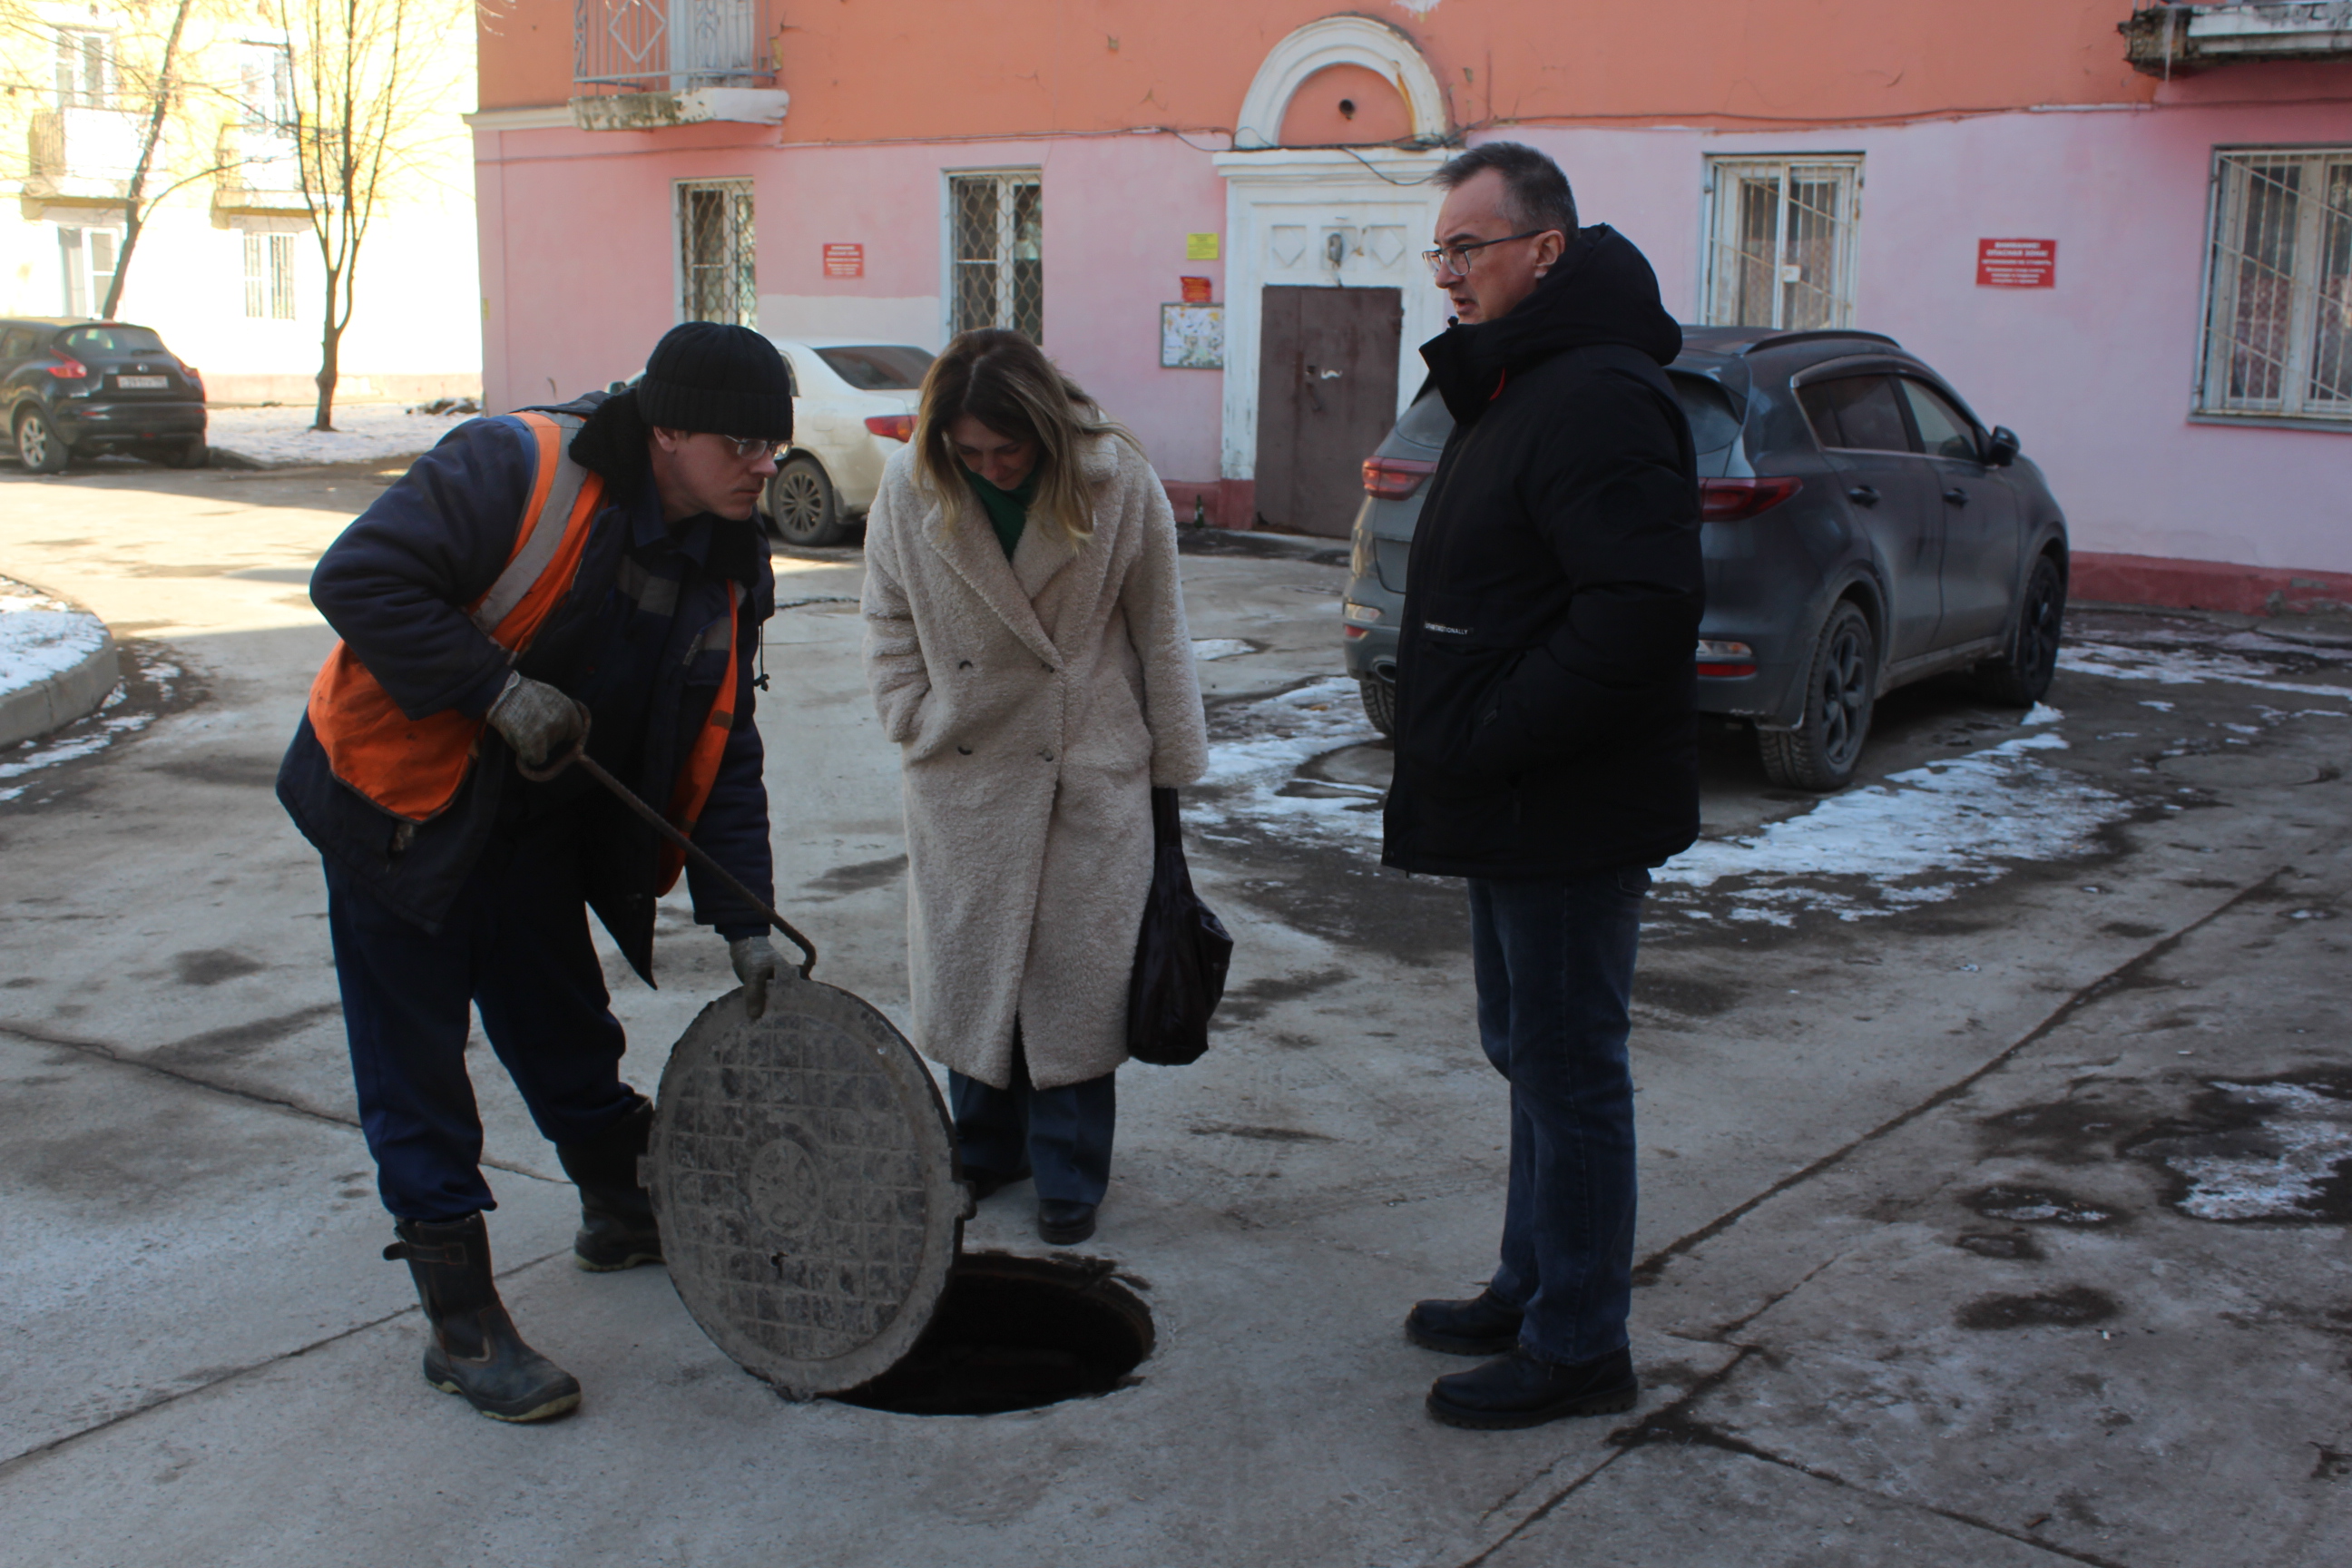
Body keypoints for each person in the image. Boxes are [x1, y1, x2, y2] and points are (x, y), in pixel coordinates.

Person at [277, 323, 794, 1423]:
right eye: (744, 443)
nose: (767, 467)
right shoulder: (511, 467)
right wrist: (494, 691)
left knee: (563, 1022)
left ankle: (621, 1209)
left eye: (775, 446)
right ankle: (461, 1324)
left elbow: (721, 736)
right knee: (416, 1065)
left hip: (532, 821)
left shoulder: (725, 547)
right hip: (399, 805)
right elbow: (357, 577)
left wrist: (745, 915)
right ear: (667, 430)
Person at [1381, 143, 1704, 1429]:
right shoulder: (1524, 383)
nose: (1450, 273)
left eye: (1471, 248)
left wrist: (1500, 727)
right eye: (1441, 252)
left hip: (1561, 800)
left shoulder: (1598, 396)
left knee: (1570, 1068)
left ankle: (1580, 1340)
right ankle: (1532, 1282)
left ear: (1544, 253)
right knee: (1528, 1052)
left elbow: (1640, 610)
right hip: (1513, 793)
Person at [858, 329, 1208, 1247]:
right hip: (964, 769)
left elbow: (1157, 626)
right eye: (969, 452)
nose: (991, 466)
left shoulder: (1115, 479)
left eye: (1008, 448)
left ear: (1046, 433)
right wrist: (912, 711)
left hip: (1084, 767)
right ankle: (981, 1148)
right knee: (976, 971)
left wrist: (1170, 760)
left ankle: (1069, 1171)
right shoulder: (913, 484)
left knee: (1074, 982)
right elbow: (886, 611)